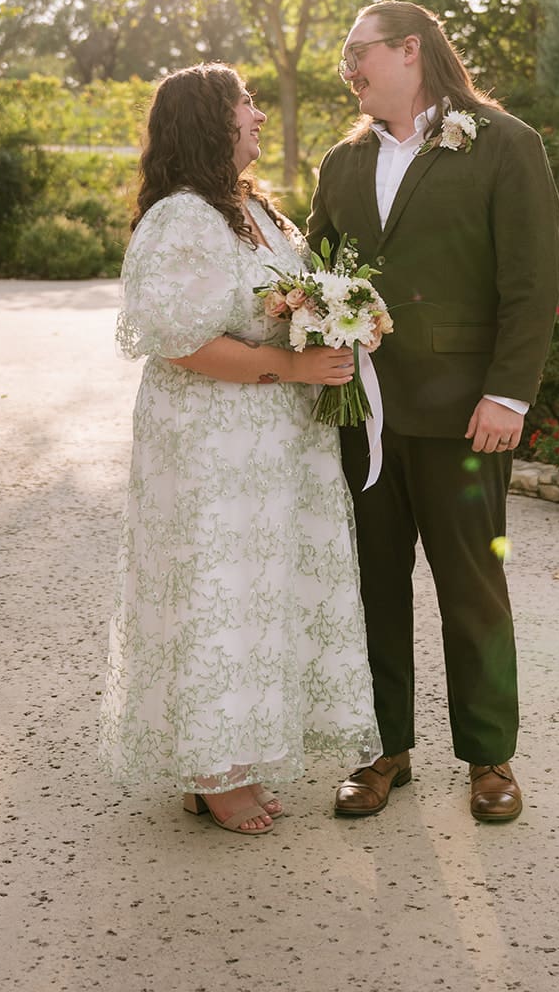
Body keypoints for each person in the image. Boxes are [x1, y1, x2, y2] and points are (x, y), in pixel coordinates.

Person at [99, 63, 381, 835]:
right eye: (246, 103)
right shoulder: (183, 219)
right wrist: (292, 364)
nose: (258, 114)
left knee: (260, 595)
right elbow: (177, 342)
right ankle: (211, 770)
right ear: (210, 122)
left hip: (276, 445)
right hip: (211, 448)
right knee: (215, 592)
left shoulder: (253, 208)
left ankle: (235, 755)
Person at [307, 1, 559, 824]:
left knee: (472, 586)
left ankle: (490, 756)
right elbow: (317, 277)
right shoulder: (339, 163)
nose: (348, 70)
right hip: (364, 414)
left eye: (358, 54)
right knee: (371, 587)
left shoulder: (506, 145)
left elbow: (532, 283)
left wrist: (508, 392)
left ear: (410, 50)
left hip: (464, 413)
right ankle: (383, 751)